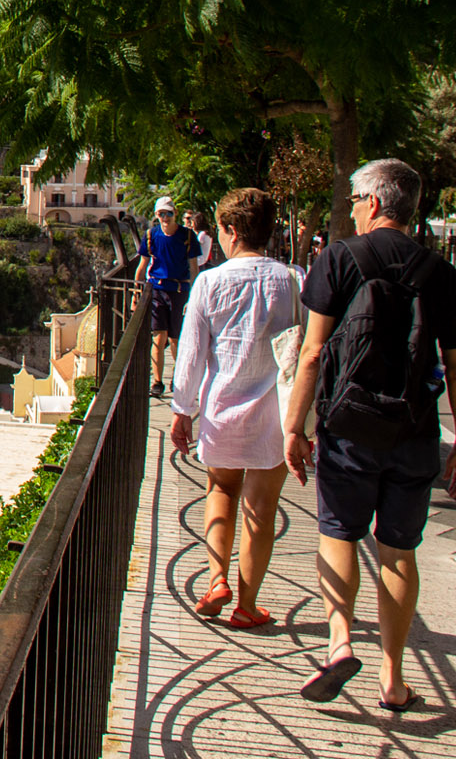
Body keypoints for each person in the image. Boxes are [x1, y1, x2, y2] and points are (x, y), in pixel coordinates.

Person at [283, 159, 456, 712]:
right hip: (414, 431)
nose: (349, 207)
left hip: (348, 430)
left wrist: (295, 427)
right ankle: (393, 681)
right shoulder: (439, 271)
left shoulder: (339, 258)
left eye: (353, 199)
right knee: (398, 552)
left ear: (373, 202)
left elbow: (313, 353)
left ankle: (340, 641)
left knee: (339, 533)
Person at [170, 189, 302, 628]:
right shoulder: (293, 281)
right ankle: (247, 607)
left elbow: (191, 355)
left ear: (229, 232)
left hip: (221, 409)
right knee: (262, 510)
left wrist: (181, 409)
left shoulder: (209, 282)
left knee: (220, 492)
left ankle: (216, 580)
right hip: (275, 416)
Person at [137, 195, 202, 394]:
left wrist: (194, 295)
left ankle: (177, 376)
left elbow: (193, 268)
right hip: (157, 288)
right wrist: (135, 294)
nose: (165, 217)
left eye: (169, 213)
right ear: (156, 216)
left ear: (174, 214)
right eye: (161, 214)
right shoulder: (151, 236)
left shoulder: (187, 236)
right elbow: (142, 266)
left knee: (175, 338)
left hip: (179, 290)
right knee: (159, 336)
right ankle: (157, 382)